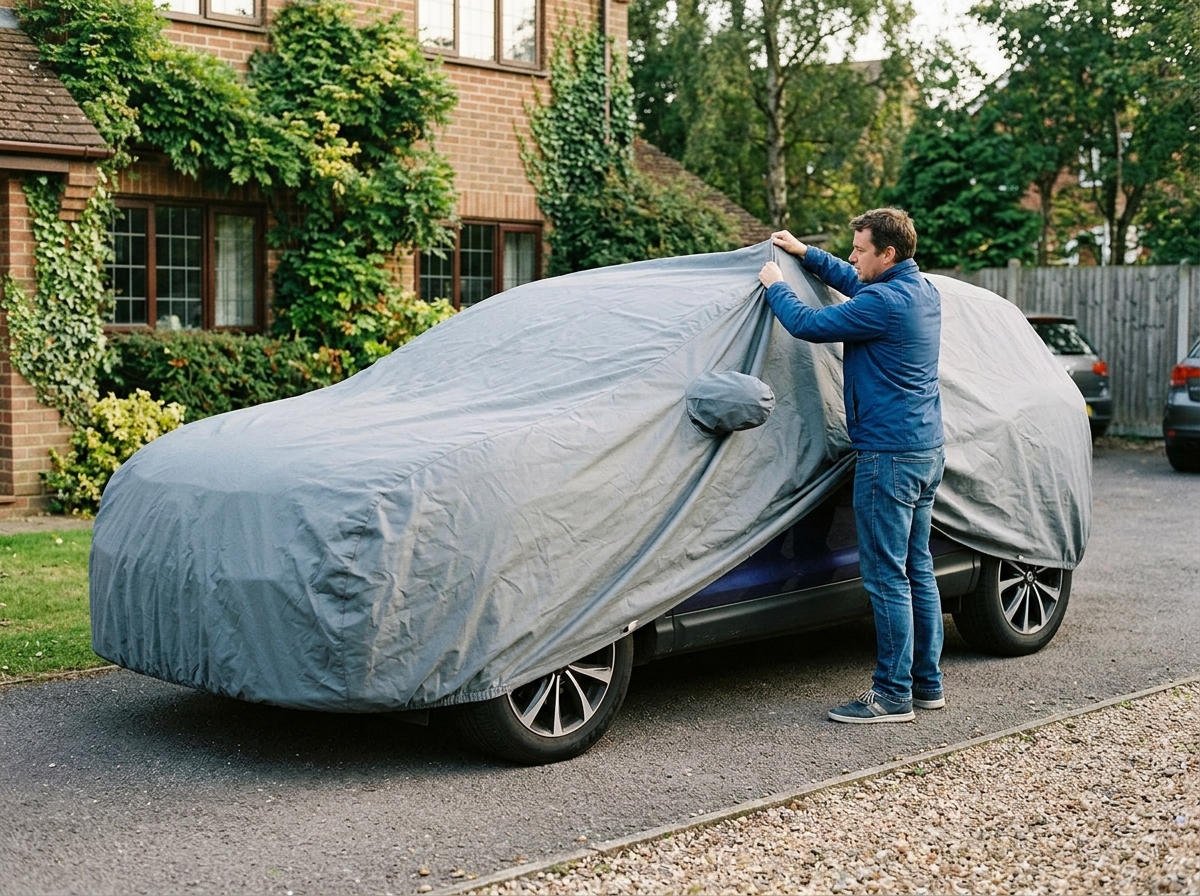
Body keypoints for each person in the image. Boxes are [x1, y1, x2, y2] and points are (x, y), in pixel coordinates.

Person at [758, 208, 945, 724]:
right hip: (925, 449)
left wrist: (776, 283)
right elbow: (853, 281)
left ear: (887, 254)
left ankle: (891, 696)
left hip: (888, 456)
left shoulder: (883, 303)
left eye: (860, 249)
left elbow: (807, 324)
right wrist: (806, 254)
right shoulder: (921, 290)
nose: (851, 256)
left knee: (886, 577)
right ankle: (927, 685)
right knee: (917, 568)